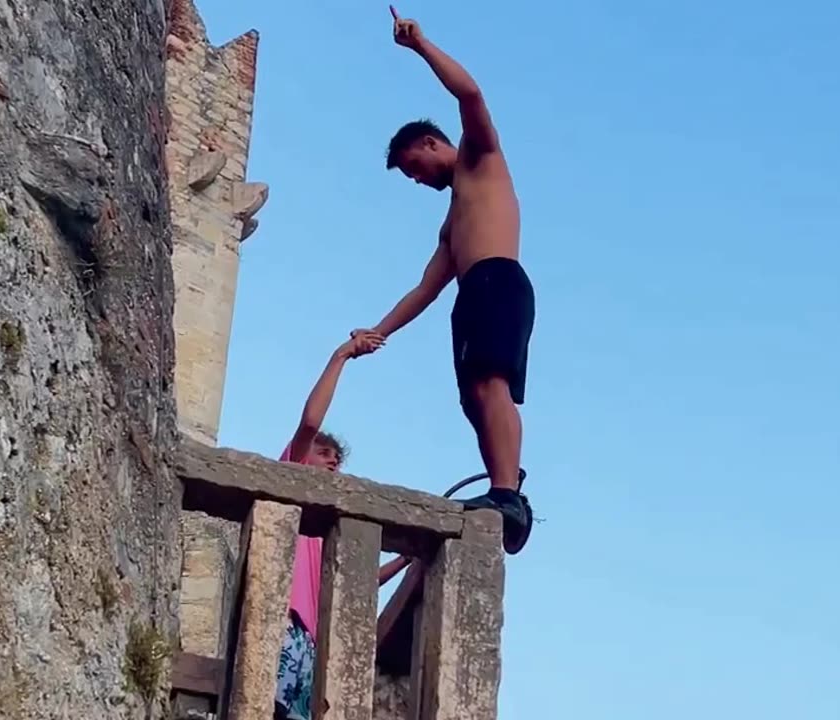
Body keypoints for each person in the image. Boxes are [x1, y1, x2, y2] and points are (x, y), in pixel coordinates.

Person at [350, 6, 536, 555]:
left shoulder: (480, 161)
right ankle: (508, 486)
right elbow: (426, 288)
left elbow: (472, 97)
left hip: (498, 281)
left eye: (414, 167)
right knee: (473, 399)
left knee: (491, 385)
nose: (415, 179)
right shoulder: (453, 220)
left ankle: (507, 493)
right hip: (471, 294)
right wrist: (378, 332)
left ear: (432, 144)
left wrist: (420, 46)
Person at [274, 332, 414, 720]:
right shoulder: (293, 480)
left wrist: (404, 560)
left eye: (337, 458)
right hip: (284, 624)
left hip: (310, 641)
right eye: (324, 453)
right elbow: (310, 422)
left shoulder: (320, 533)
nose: (333, 461)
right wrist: (341, 356)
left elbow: (359, 580)